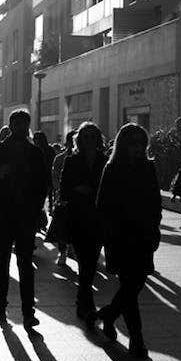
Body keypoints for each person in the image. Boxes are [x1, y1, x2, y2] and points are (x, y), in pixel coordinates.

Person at [96, 123, 162, 358]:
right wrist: (109, 233)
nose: (137, 148)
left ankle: (110, 314)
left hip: (143, 234)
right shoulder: (112, 168)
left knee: (135, 283)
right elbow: (102, 204)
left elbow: (155, 202)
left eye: (140, 143)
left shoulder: (147, 167)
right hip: (121, 236)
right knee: (130, 285)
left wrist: (155, 228)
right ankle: (137, 338)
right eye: (132, 143)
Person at [0, 109, 48, 328]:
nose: (20, 128)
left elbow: (43, 184)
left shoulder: (33, 153)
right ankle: (2, 306)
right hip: (4, 213)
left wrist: (37, 208)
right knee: (6, 260)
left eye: (23, 124)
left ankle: (27, 310)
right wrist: (0, 177)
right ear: (11, 126)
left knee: (22, 262)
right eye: (16, 124)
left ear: (27, 126)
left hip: (22, 214)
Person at [59, 122, 106, 321]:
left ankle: (83, 301)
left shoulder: (105, 161)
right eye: (85, 136)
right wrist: (77, 190)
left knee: (90, 263)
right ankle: (86, 304)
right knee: (84, 262)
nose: (89, 140)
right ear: (79, 139)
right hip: (78, 216)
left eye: (93, 136)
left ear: (98, 139)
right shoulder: (72, 161)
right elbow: (63, 190)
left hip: (97, 217)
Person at [51, 131, 75, 266]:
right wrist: (59, 193)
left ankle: (71, 248)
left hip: (77, 200)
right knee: (62, 226)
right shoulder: (60, 158)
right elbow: (55, 177)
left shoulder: (81, 158)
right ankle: (63, 251)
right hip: (63, 198)